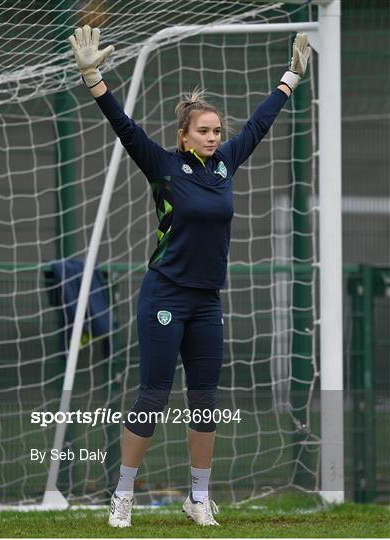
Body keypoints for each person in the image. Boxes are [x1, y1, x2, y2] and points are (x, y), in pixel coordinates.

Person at [69, 25, 311, 527]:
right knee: (153, 395)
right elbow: (123, 125)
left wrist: (289, 76)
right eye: (204, 130)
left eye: (218, 131)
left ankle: (198, 497)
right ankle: (123, 495)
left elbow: (260, 125)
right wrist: (94, 77)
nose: (214, 137)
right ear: (184, 136)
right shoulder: (163, 164)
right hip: (166, 293)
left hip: (207, 301)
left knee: (204, 399)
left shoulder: (225, 164)